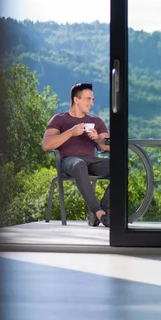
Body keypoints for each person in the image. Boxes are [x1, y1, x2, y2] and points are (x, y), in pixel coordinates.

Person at [42, 82, 111, 227]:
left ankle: (101, 211)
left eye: (92, 99)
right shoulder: (59, 119)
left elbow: (109, 147)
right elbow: (46, 145)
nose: (92, 102)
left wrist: (97, 138)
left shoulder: (96, 121)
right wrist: (71, 132)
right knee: (79, 165)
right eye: (88, 99)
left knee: (121, 167)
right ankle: (99, 212)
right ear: (76, 100)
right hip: (68, 162)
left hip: (91, 161)